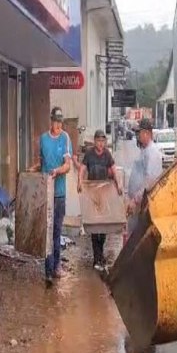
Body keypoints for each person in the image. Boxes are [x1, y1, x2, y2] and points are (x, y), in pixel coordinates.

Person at [28, 106, 72, 287]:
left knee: (56, 230)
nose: (58, 125)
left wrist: (57, 171)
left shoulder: (65, 137)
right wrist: (33, 170)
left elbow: (67, 165)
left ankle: (56, 266)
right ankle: (47, 270)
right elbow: (42, 162)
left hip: (59, 193)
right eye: (55, 121)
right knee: (46, 231)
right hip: (45, 192)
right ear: (51, 121)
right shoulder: (44, 139)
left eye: (60, 122)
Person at [78, 129, 122, 271]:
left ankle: (100, 255)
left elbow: (114, 169)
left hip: (104, 194)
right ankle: (97, 258)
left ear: (105, 142)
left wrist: (118, 184)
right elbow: (83, 169)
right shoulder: (89, 154)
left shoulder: (107, 154)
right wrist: (80, 182)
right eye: (98, 141)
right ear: (95, 141)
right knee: (94, 225)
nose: (101, 144)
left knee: (102, 226)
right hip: (92, 194)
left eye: (103, 141)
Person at [126, 118, 163, 236]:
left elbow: (149, 182)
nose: (138, 136)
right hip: (139, 204)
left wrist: (135, 200)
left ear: (147, 133)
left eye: (139, 133)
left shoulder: (153, 153)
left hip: (145, 204)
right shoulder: (145, 150)